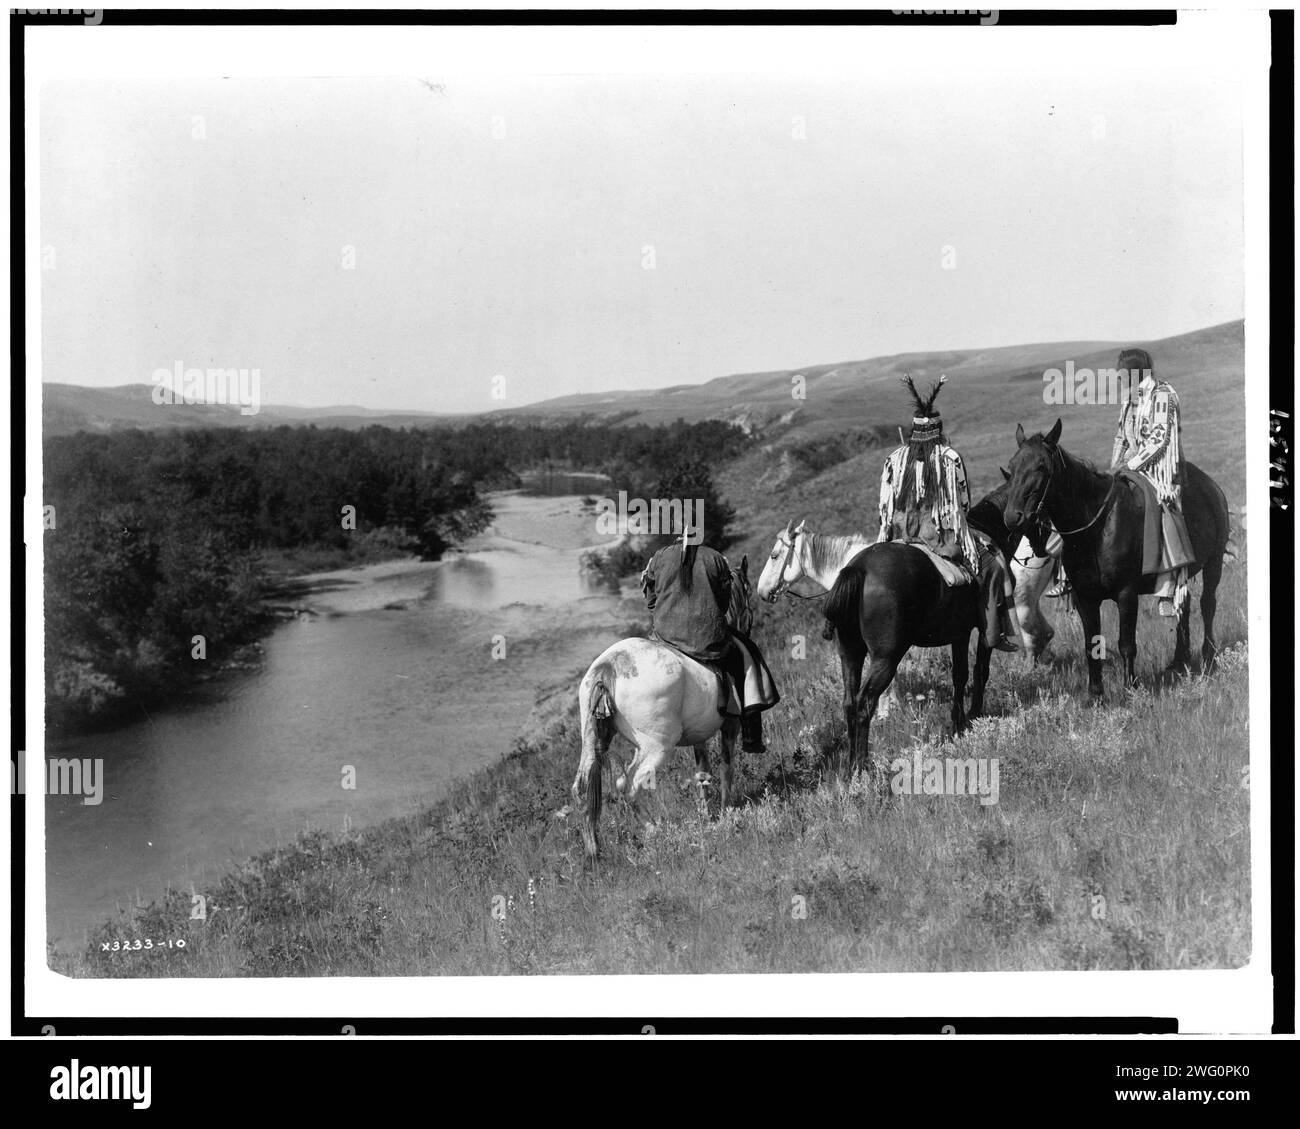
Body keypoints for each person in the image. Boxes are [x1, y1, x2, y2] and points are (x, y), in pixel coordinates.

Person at [877, 374, 1019, 652]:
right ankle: (994, 633)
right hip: (936, 534)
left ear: (913, 431)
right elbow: (962, 504)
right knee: (992, 565)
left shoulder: (894, 458)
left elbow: (884, 505)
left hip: (899, 530)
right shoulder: (948, 457)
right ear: (939, 430)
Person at [640, 526, 775, 755]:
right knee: (747, 658)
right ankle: (752, 737)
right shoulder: (716, 559)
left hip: (665, 637)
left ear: (677, 534)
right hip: (706, 640)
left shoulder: (659, 557)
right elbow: (723, 606)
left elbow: (650, 601)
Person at [1109, 347, 1195, 617]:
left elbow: (1159, 439)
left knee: (1160, 506)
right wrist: (1114, 468)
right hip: (1133, 465)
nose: (1118, 378)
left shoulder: (1163, 394)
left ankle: (1166, 588)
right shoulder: (1130, 398)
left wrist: (1131, 464)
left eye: (1122, 373)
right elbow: (1121, 436)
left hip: (1160, 469)